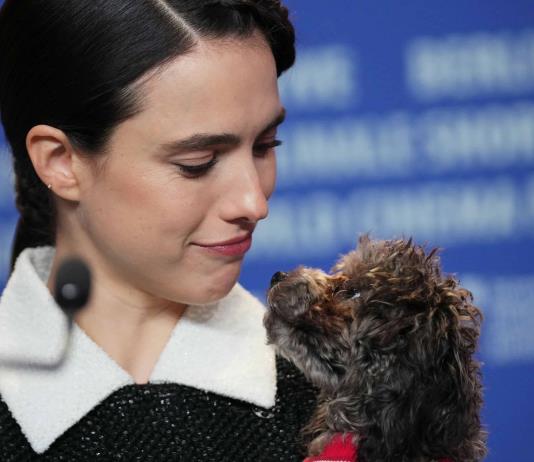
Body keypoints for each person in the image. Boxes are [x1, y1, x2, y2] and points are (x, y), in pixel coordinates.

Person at [0, 0, 319, 459]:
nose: (254, 201)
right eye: (198, 164)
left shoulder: (353, 403)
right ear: (60, 161)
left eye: (266, 145)